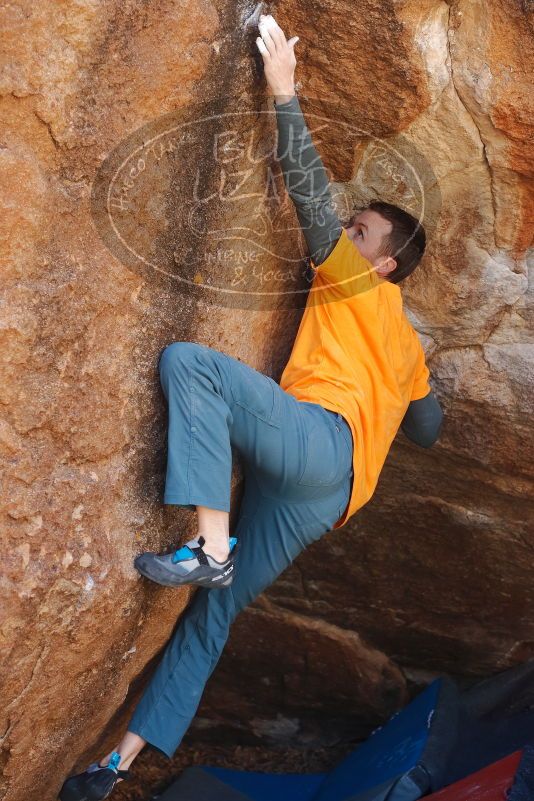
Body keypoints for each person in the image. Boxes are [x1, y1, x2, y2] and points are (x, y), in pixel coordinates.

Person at [58, 13, 443, 801]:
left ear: (386, 261)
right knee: (211, 619)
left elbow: (307, 195)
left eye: (360, 228)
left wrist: (285, 94)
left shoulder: (356, 280)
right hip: (323, 499)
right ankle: (113, 765)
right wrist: (400, 397)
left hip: (314, 443)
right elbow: (432, 430)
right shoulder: (409, 349)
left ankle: (209, 544)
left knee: (189, 365)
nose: (346, 228)